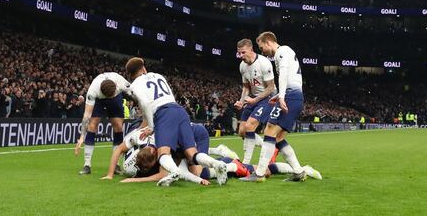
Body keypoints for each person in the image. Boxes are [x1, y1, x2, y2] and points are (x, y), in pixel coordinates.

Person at [123, 57, 228, 186]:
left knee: (163, 154)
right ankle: (217, 164)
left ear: (131, 75)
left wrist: (151, 126)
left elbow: (145, 103)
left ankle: (174, 172)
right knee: (192, 154)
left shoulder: (135, 85)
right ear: (143, 68)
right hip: (179, 110)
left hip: (163, 113)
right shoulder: (158, 76)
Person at [242, 31, 307, 182]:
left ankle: (258, 174)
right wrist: (279, 96)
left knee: (269, 131)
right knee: (278, 137)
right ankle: (298, 171)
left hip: (290, 96)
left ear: (268, 42)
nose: (262, 51)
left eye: (261, 47)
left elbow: (284, 73)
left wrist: (282, 96)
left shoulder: (282, 51)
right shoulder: (287, 52)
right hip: (295, 97)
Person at [74, 72, 131, 175]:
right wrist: (82, 136)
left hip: (116, 98)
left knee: (118, 126)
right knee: (92, 125)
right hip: (99, 101)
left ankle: (116, 165)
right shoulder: (93, 91)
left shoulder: (121, 82)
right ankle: (87, 165)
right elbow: (87, 114)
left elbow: (136, 94)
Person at [234, 38, 277, 164]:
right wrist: (241, 101)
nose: (241, 56)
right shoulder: (242, 66)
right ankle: (270, 148)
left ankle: (245, 163)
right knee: (242, 132)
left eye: (243, 52)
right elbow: (246, 87)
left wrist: (255, 100)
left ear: (251, 50)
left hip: (268, 98)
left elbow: (270, 88)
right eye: (239, 53)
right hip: (253, 99)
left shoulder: (264, 63)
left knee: (249, 126)